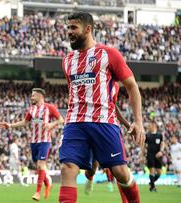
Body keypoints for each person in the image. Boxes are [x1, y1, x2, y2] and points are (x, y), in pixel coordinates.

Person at [58, 12, 145, 203]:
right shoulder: (67, 61)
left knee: (120, 173)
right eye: (68, 28)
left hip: (104, 122)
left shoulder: (109, 54)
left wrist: (138, 122)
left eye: (74, 28)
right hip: (75, 122)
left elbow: (132, 87)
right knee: (67, 168)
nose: (69, 32)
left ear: (88, 29)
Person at [0, 88, 64, 201]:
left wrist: (51, 125)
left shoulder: (49, 108)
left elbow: (61, 120)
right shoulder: (31, 109)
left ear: (40, 96)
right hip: (33, 142)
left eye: (33, 95)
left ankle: (37, 192)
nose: (31, 97)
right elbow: (25, 122)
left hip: (44, 141)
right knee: (37, 167)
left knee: (40, 165)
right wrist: (10, 125)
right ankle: (47, 184)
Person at [84, 83, 130, 203]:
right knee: (92, 168)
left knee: (118, 168)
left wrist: (126, 124)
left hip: (108, 129)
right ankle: (90, 179)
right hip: (90, 127)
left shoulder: (115, 86)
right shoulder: (95, 79)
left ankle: (115, 189)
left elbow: (113, 106)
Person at [142, 121, 165, 192]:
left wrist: (161, 151)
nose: (148, 127)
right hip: (150, 155)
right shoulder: (147, 135)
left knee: (159, 172)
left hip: (158, 155)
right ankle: (153, 187)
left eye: (150, 125)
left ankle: (151, 183)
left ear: (154, 126)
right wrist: (142, 155)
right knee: (151, 171)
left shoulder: (160, 135)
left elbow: (162, 143)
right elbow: (143, 145)